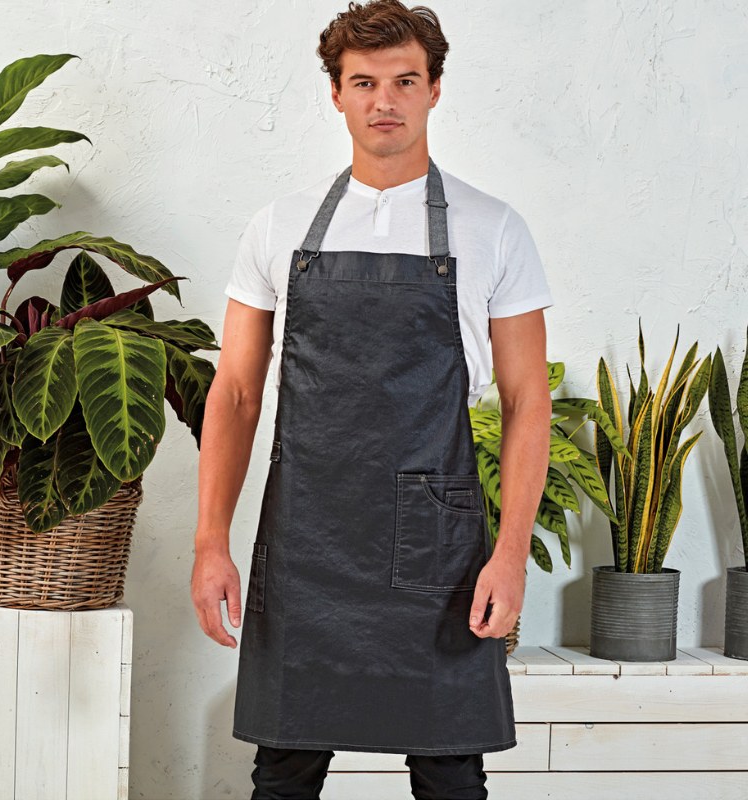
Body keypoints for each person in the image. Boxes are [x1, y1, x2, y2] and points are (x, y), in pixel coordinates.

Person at [191, 1, 553, 797]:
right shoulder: (278, 226)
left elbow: (529, 401)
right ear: (336, 94)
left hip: (436, 549)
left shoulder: (493, 229)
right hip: (307, 544)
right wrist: (210, 541)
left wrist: (510, 555)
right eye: (364, 82)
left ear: (434, 90)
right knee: (284, 773)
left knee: (450, 772)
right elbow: (238, 392)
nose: (384, 101)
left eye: (404, 81)